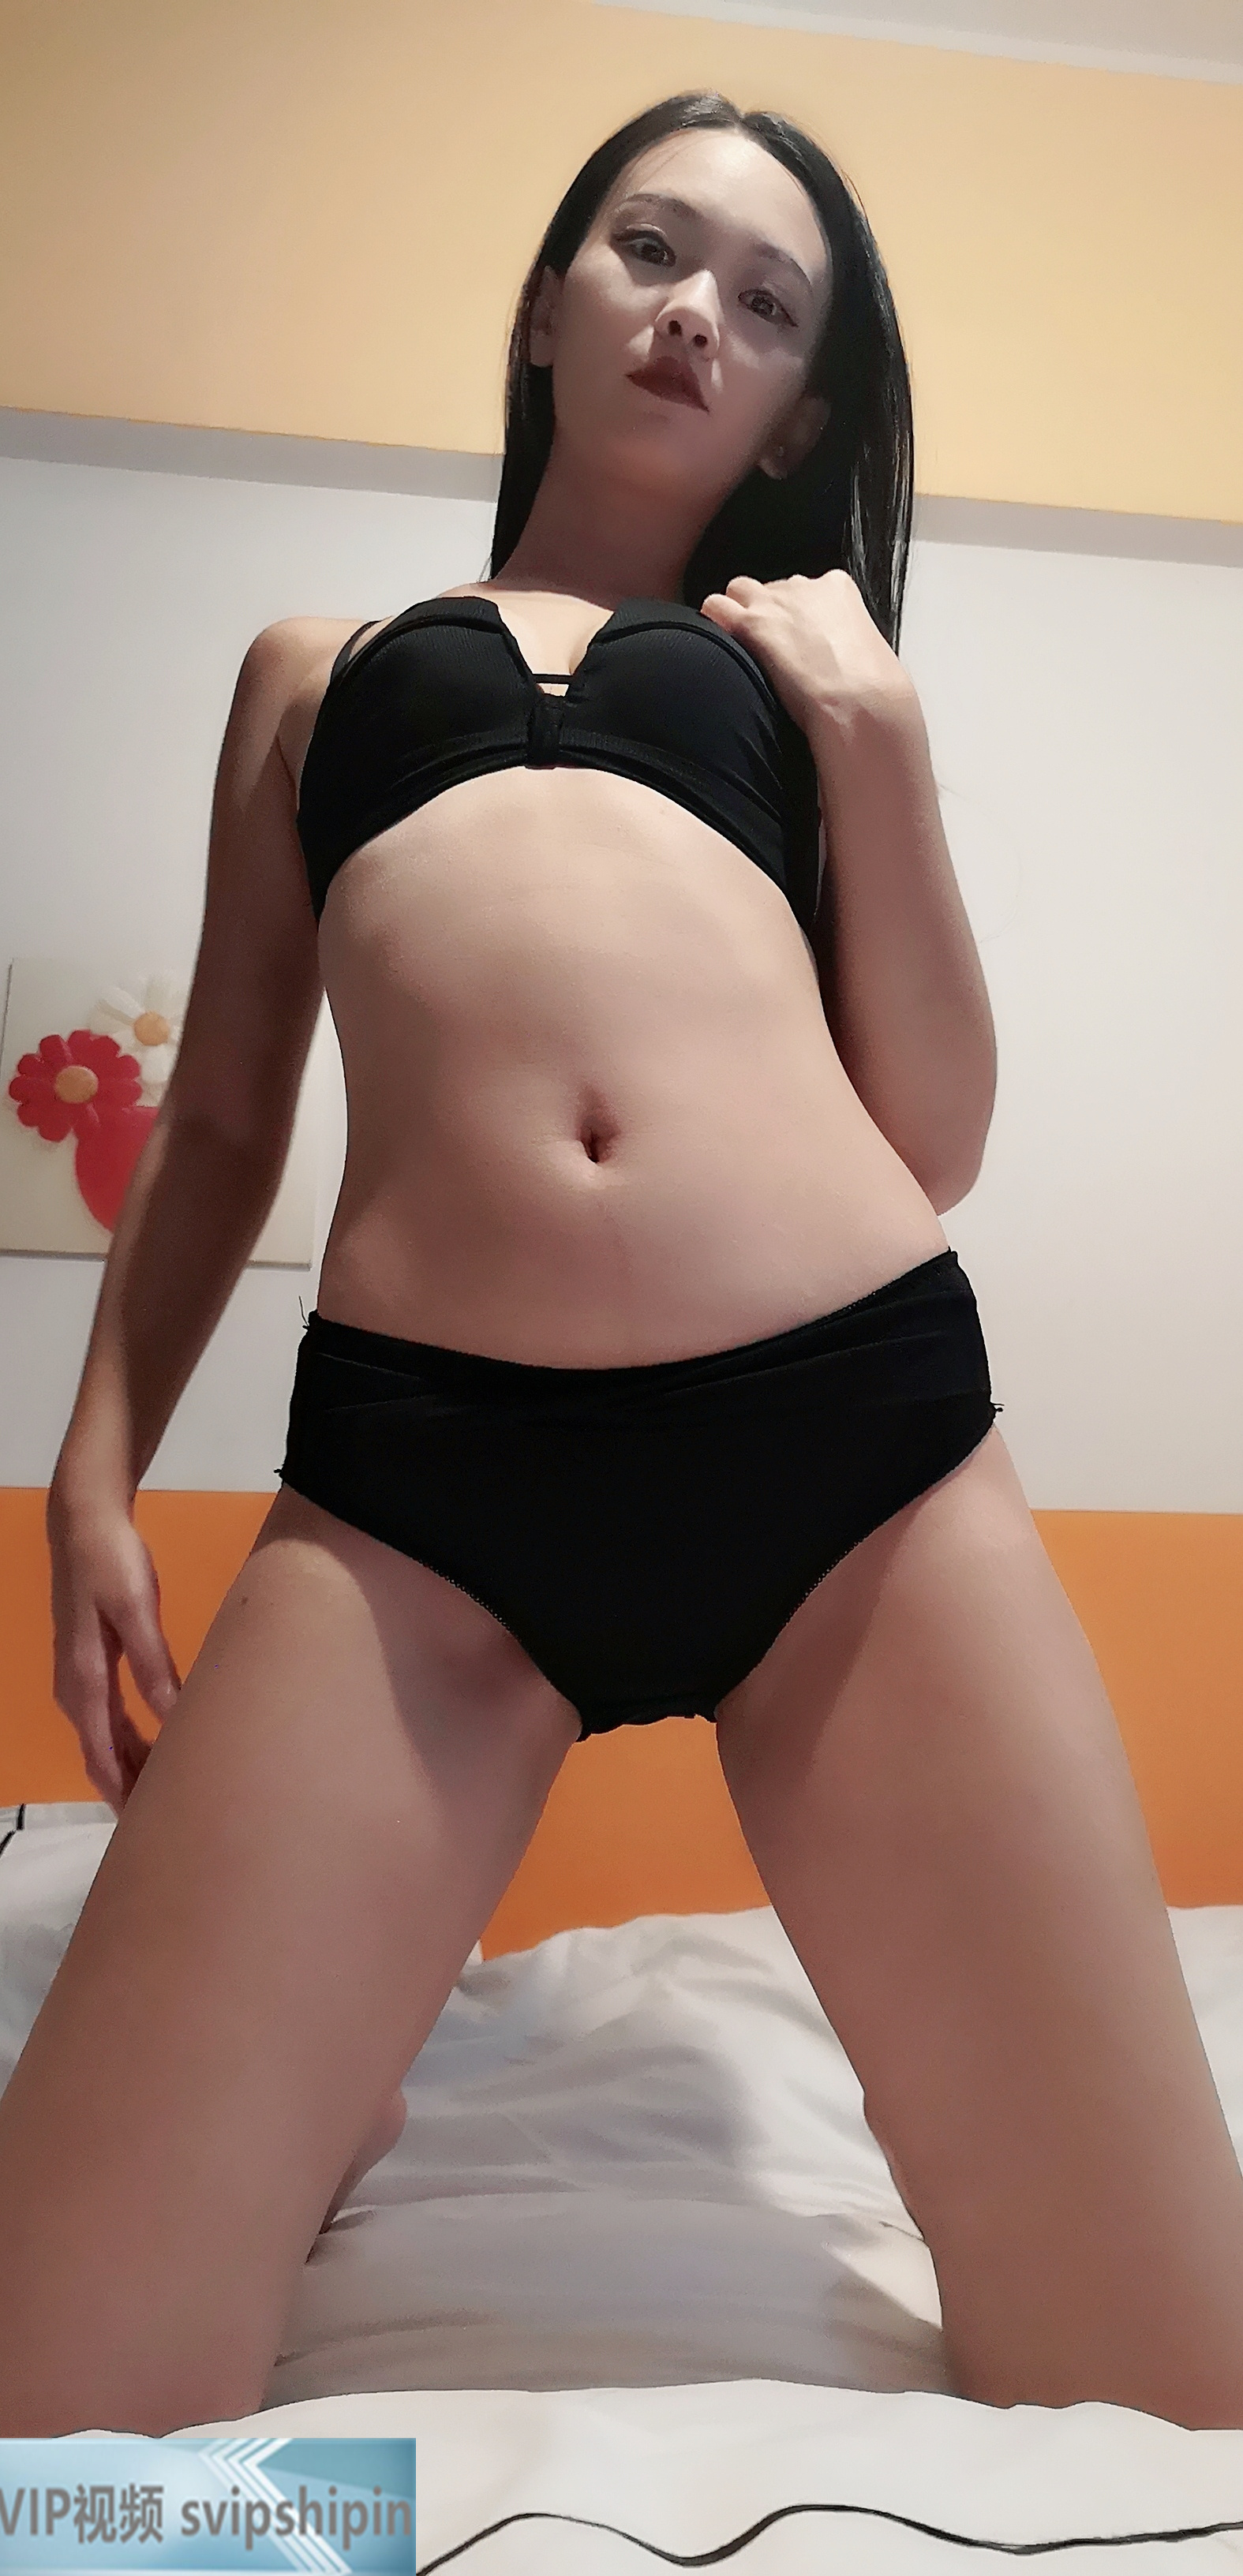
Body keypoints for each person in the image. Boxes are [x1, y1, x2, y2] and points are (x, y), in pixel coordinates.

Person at [2, 88, 1242, 2440]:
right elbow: (232, 1114)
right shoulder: (321, 665)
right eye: (653, 250)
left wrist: (884, 741)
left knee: (1177, 2403)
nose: (699, 314)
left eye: (769, 304)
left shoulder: (802, 678)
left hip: (854, 1465)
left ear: (801, 412)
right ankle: (348, 2232)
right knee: (56, 2453)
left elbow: (934, 1138)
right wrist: (93, 1473)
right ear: (548, 304)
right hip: (421, 1500)